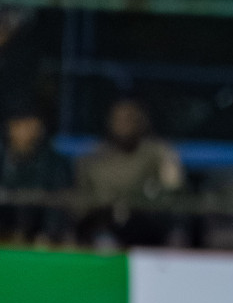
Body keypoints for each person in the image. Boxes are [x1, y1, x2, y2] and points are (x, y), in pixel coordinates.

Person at [76, 98, 184, 248]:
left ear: (142, 122)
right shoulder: (94, 159)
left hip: (149, 231)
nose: (124, 124)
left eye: (130, 118)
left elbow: (173, 191)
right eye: (118, 119)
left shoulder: (158, 154)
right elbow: (81, 203)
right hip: (103, 230)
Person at [0, 97, 72, 245]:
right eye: (20, 124)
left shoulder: (56, 164)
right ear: (9, 127)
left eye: (32, 124)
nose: (27, 130)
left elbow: (60, 203)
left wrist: (48, 236)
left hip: (41, 238)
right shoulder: (3, 160)